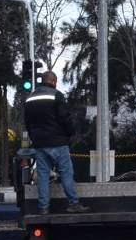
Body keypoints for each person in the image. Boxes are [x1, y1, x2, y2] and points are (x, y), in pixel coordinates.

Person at [24, 71, 90, 215]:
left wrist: (34, 138)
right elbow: (64, 118)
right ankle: (73, 203)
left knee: (42, 176)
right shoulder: (56, 95)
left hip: (40, 144)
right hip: (57, 142)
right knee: (66, 173)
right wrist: (71, 133)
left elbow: (28, 123)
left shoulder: (30, 99)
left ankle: (43, 207)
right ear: (53, 81)